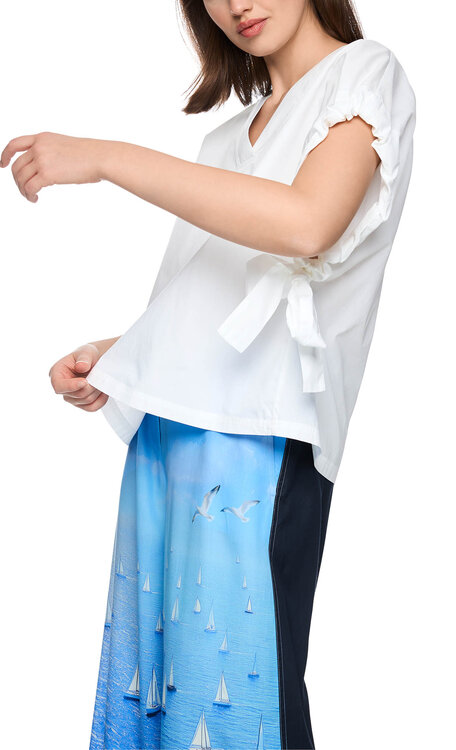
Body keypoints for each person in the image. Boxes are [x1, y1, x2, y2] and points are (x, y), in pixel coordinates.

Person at [0, 1, 416, 748]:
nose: (237, 5)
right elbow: (216, 302)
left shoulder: (364, 74)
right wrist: (120, 357)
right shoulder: (228, 139)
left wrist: (107, 158)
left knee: (239, 710)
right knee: (158, 702)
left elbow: (307, 223)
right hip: (167, 446)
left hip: (258, 443)